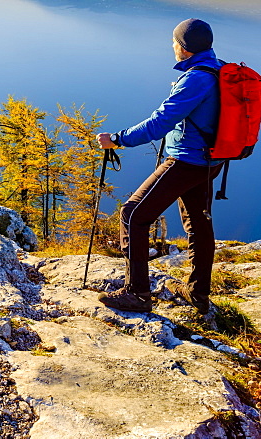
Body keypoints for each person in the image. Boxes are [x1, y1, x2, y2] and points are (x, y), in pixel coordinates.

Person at [95, 18, 222, 315]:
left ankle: (138, 293)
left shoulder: (196, 79)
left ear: (185, 48)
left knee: (133, 215)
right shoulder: (217, 69)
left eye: (175, 42)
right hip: (209, 161)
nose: (173, 47)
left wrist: (118, 139)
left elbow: (160, 122)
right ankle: (198, 294)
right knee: (198, 224)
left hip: (187, 161)